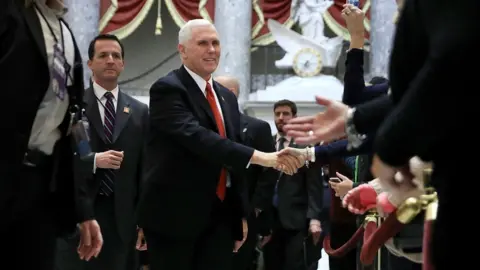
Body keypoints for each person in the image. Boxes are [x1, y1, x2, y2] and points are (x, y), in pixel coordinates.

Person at [283, 0, 479, 269]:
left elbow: (443, 73)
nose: (401, 21)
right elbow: (382, 101)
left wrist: (387, 155)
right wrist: (355, 40)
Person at [136, 19, 302, 270]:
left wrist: (240, 214)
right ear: (182, 50)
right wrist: (264, 157)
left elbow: (232, 161)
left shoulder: (225, 97)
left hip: (222, 218)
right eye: (203, 43)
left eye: (215, 43)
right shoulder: (167, 89)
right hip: (175, 217)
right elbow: (198, 138)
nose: (212, 49)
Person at [0, 0, 102, 269]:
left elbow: (72, 129)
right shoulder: (10, 13)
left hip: (42, 186)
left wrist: (83, 208)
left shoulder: (65, 31)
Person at [55, 34, 149, 270]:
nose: (110, 60)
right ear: (90, 63)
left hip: (123, 221)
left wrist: (143, 221)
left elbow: (145, 169)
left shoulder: (139, 112)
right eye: (103, 55)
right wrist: (95, 161)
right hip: (79, 213)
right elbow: (60, 159)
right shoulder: (72, 105)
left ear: (123, 64)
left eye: (116, 56)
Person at [216, 75, 277, 270]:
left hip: (244, 211)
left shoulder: (257, 127)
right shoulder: (203, 126)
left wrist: (256, 208)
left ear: (230, 94)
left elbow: (268, 172)